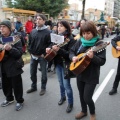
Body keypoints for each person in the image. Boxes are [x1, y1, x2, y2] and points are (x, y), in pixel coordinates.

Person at [69, 21, 106, 120]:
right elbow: (72, 51)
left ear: (93, 32)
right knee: (81, 95)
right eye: (84, 33)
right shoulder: (80, 41)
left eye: (88, 33)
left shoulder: (100, 44)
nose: (86, 36)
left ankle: (92, 113)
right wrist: (73, 57)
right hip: (80, 73)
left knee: (87, 97)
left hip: (92, 75)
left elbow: (102, 61)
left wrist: (93, 57)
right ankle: (83, 111)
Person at [46, 20, 76, 113]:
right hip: (58, 64)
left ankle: (70, 103)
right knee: (60, 83)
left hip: (66, 65)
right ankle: (63, 97)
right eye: (58, 25)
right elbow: (52, 46)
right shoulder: (56, 37)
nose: (59, 27)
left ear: (66, 28)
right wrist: (49, 49)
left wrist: (59, 50)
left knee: (67, 85)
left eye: (61, 26)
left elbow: (69, 55)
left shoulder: (71, 39)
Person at [0, 20, 24, 111]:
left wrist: (10, 49)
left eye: (3, 27)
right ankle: (9, 98)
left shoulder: (15, 38)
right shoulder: (0, 38)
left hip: (14, 66)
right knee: (5, 84)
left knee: (16, 85)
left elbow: (19, 53)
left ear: (9, 28)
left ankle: (19, 101)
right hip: (3, 66)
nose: (1, 29)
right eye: (0, 27)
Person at [26, 14, 51, 96]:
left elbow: (50, 44)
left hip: (42, 57)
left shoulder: (48, 32)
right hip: (33, 56)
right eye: (37, 19)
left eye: (40, 19)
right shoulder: (33, 31)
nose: (38, 20)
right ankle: (34, 86)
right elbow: (29, 43)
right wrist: (30, 51)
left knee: (44, 74)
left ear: (44, 21)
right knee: (32, 73)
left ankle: (43, 88)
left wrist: (44, 54)